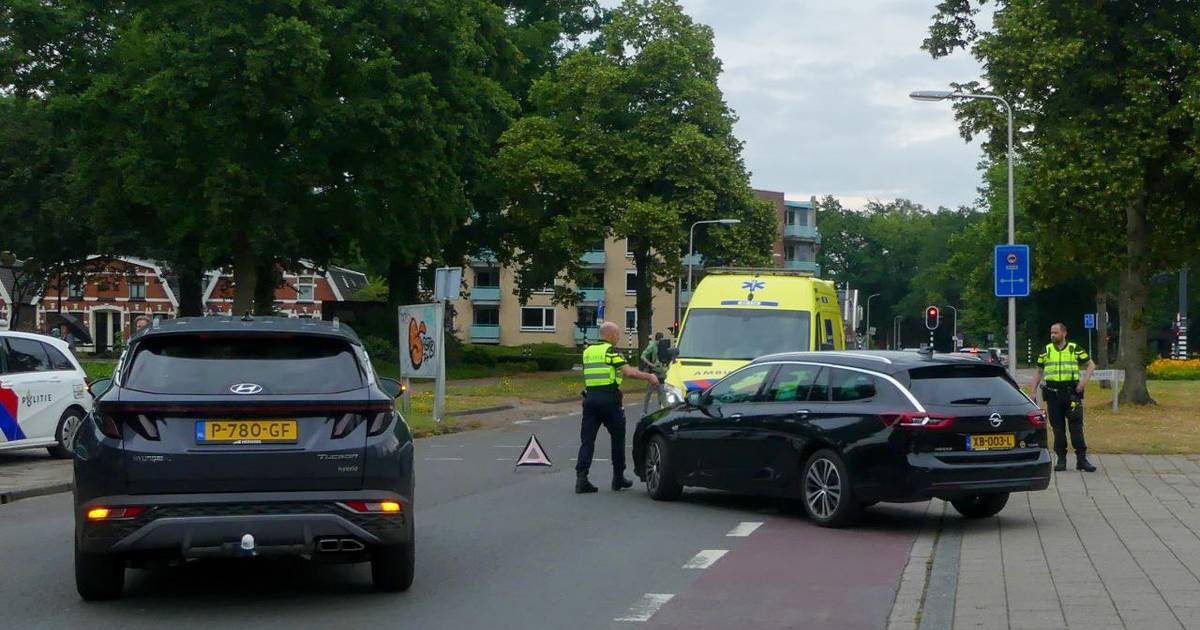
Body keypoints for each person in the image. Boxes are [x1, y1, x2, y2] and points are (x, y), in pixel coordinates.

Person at [577, 321, 660, 494]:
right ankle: (618, 477)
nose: (618, 337)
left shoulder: (587, 352)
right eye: (617, 334)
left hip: (590, 399)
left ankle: (581, 478)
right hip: (609, 400)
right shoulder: (610, 351)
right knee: (618, 437)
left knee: (587, 440)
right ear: (610, 335)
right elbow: (629, 372)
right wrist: (649, 376)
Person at [1031, 322, 1097, 472]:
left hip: (1071, 394)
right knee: (1057, 429)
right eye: (1051, 333)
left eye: (1056, 332)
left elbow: (1091, 364)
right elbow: (1038, 371)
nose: (1053, 335)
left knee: (1076, 428)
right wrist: (1033, 391)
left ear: (1064, 333)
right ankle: (1061, 460)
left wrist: (1083, 382)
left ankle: (1082, 460)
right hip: (1053, 395)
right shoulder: (1046, 350)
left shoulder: (1074, 349)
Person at [640, 332, 672, 412]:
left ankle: (662, 412)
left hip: (661, 373)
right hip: (653, 373)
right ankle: (645, 411)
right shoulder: (652, 346)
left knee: (662, 393)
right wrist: (651, 364)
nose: (660, 343)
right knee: (649, 393)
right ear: (657, 340)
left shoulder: (664, 346)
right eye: (659, 341)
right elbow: (642, 356)